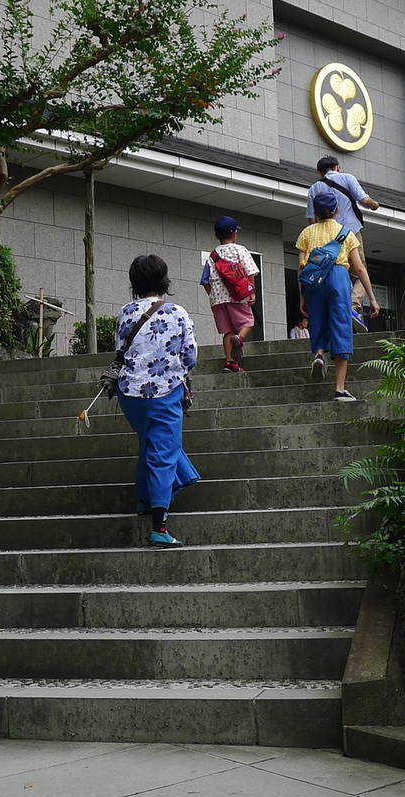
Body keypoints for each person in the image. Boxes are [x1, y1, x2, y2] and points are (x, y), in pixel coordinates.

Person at [116, 254, 199, 548]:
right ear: (164, 280)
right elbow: (190, 355)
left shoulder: (126, 312)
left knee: (149, 443)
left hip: (129, 394)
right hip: (163, 392)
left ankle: (143, 498)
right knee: (163, 453)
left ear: (134, 283)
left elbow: (120, 350)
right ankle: (159, 526)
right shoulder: (177, 312)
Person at [297, 193, 380, 402]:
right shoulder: (346, 233)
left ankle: (318, 353)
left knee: (317, 321)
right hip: (338, 276)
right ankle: (340, 389)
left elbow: (301, 267)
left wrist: (302, 295)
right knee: (341, 326)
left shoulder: (306, 233)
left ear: (315, 213)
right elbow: (359, 268)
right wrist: (371, 297)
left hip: (314, 281)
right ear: (337, 211)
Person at [306, 155, 381, 332]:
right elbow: (365, 201)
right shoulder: (347, 178)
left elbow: (311, 219)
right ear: (338, 168)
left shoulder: (314, 188)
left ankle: (337, 310)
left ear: (320, 173)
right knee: (360, 271)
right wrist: (375, 204)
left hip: (326, 239)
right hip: (350, 233)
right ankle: (353, 307)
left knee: (336, 272)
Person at [200, 215, 259, 373]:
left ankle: (230, 363)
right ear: (234, 234)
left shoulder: (212, 256)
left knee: (228, 331)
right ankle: (239, 339)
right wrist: (251, 291)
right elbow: (250, 271)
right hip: (237, 296)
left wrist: (213, 296)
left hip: (218, 300)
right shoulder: (240, 249)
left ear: (216, 236)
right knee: (247, 322)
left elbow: (205, 281)